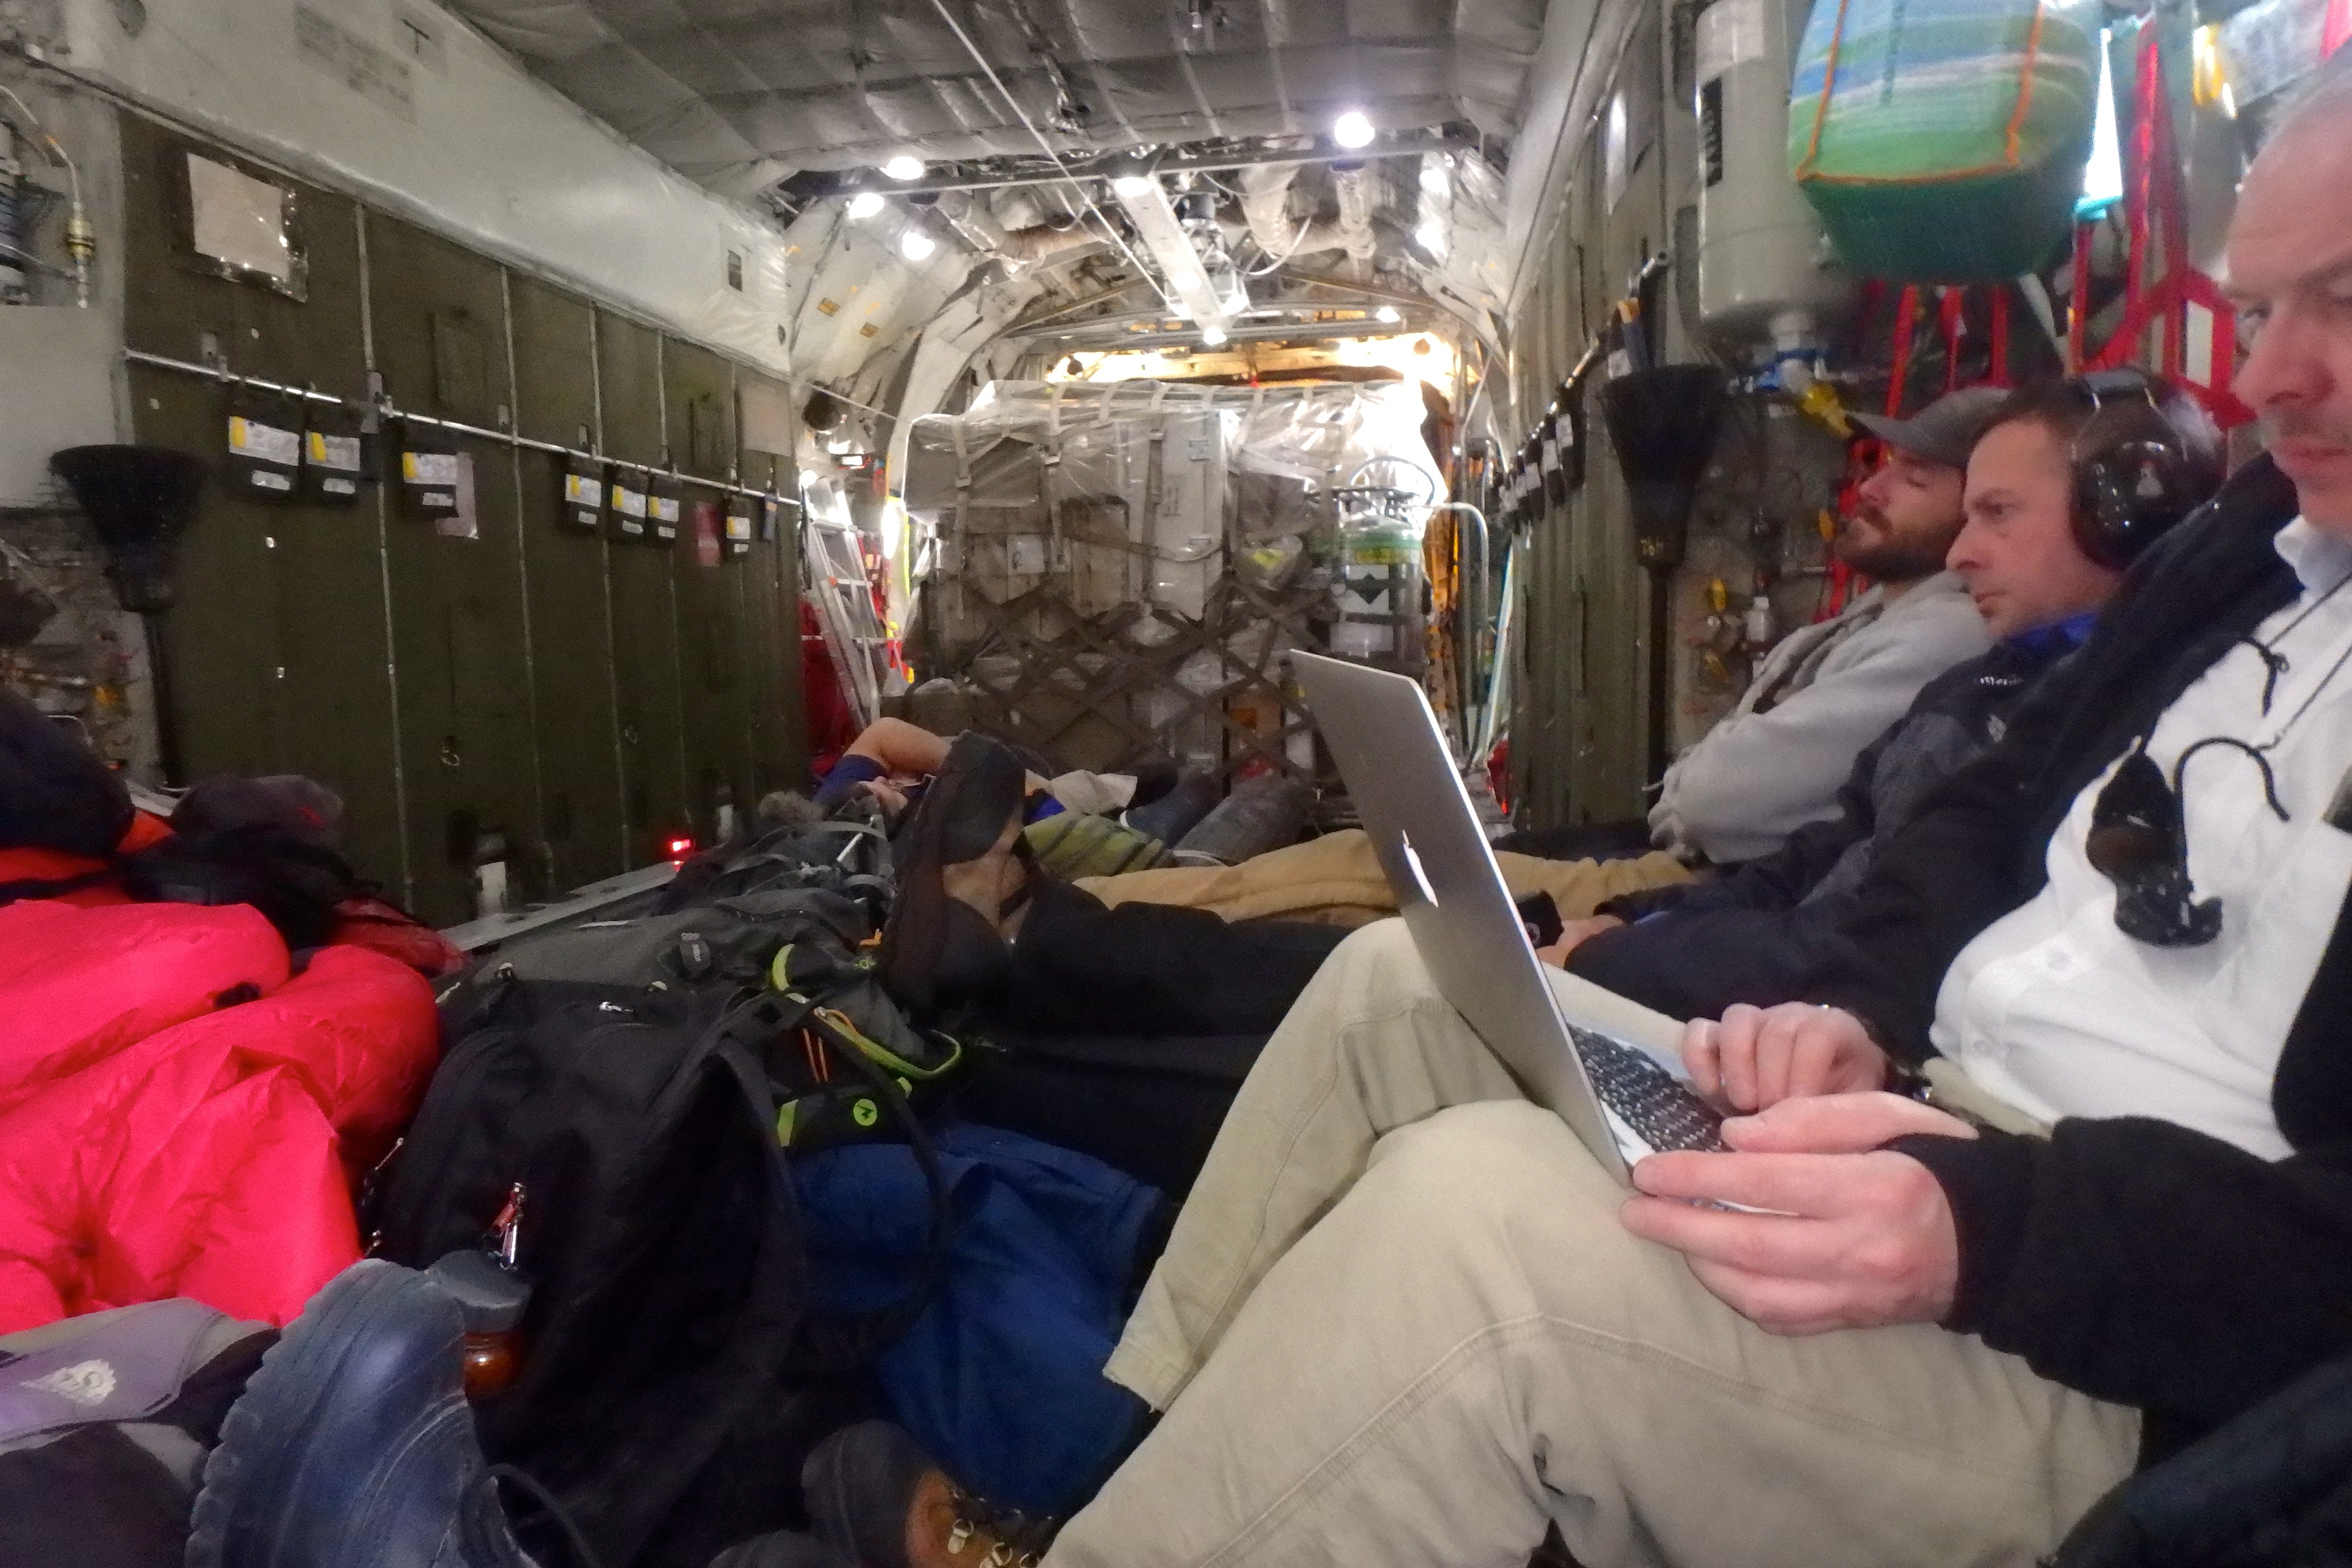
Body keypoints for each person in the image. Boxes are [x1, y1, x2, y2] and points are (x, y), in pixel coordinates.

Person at [779, 53, 2352, 1568]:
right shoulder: (2248, 562)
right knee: (1395, 979)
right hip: (1924, 1108)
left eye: (2341, 298)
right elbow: (1975, 822)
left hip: (2116, 1338)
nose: (2275, 375)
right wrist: (1854, 1012)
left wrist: (1996, 1225)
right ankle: (1157, 1469)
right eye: (2257, 311)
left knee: (1479, 1219)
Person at [1552, 372, 2225, 1022]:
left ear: (2123, 519)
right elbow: (1816, 858)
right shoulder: (1981, 684)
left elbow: (1887, 946)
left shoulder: (2130, 721)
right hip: (1781, 988)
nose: (1961, 554)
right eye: (1968, 516)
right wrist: (1633, 921)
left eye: (1997, 513)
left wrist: (1616, 959)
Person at [1645, 386, 2002, 863]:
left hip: (1748, 884)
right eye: (1887, 464)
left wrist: (1684, 798)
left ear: (1980, 514)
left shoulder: (1947, 636)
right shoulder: (1874, 613)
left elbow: (1712, 803)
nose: (1871, 488)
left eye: (1914, 479)